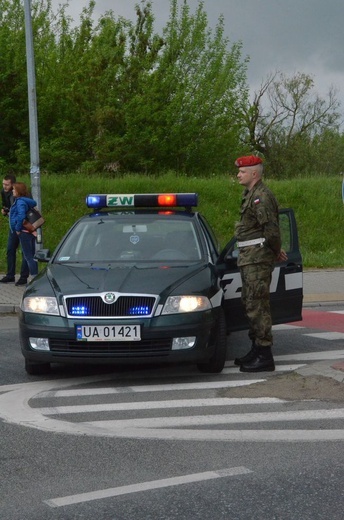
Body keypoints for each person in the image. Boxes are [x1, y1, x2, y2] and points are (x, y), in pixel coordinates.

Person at [233, 155, 287, 372]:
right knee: (249, 301)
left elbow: (271, 230)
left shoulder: (261, 197)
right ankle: (256, 348)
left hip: (258, 258)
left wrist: (275, 251)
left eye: (242, 171)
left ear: (254, 173)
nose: (238, 174)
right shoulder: (251, 194)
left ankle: (265, 355)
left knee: (258, 305)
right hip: (250, 258)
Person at [1, 175, 30, 285]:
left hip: (23, 226)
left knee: (25, 252)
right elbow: (6, 206)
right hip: (13, 225)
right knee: (10, 249)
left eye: (7, 185)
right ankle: (10, 275)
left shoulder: (23, 194)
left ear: (13, 185)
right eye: (3, 184)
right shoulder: (3, 192)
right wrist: (5, 211)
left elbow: (23, 212)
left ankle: (23, 277)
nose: (4, 186)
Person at [9, 182, 38, 280]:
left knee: (28, 256)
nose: (12, 191)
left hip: (24, 231)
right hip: (29, 231)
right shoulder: (26, 201)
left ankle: (34, 277)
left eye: (14, 189)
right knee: (31, 255)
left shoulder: (20, 202)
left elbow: (21, 215)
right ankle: (34, 275)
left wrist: (17, 228)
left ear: (18, 191)